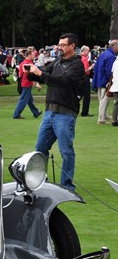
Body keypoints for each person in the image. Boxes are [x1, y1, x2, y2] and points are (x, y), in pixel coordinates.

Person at [27, 32, 87, 191]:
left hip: (65, 113)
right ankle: (40, 181)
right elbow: (44, 73)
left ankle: (66, 185)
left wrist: (41, 74)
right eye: (59, 44)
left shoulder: (77, 65)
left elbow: (63, 81)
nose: (59, 47)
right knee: (40, 148)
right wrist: (30, 73)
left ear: (72, 46)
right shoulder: (58, 61)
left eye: (63, 45)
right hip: (49, 113)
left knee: (66, 151)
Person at [91, 39, 118, 124]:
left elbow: (96, 67)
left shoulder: (103, 54)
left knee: (101, 99)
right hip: (105, 81)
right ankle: (101, 119)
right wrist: (110, 81)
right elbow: (109, 71)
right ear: (114, 46)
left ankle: (104, 115)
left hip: (99, 79)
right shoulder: (111, 56)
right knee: (104, 100)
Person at [12, 47, 42, 119]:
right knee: (23, 100)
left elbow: (20, 74)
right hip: (27, 83)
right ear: (29, 55)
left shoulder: (22, 63)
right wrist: (37, 84)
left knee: (29, 100)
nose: (34, 56)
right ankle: (16, 114)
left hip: (23, 82)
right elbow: (33, 75)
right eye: (33, 55)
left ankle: (36, 112)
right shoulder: (29, 64)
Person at [79, 45, 94, 117]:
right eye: (88, 51)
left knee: (80, 94)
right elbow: (85, 70)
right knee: (87, 95)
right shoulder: (84, 59)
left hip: (80, 77)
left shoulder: (80, 58)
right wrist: (91, 67)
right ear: (84, 51)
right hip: (85, 77)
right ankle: (85, 112)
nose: (88, 52)